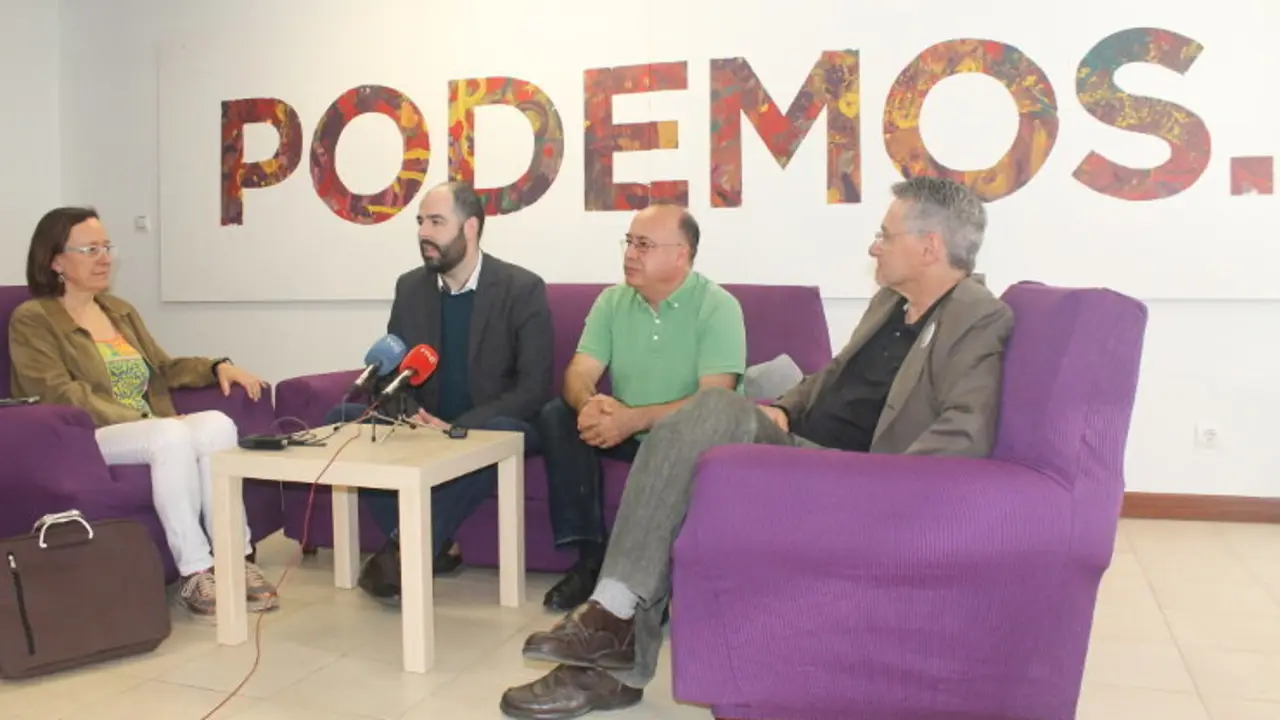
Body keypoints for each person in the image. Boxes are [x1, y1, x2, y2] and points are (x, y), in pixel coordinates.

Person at [498, 176, 1016, 719]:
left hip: (858, 477)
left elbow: (965, 430)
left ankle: (609, 627)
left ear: (929, 247)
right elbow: (833, 375)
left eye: (885, 235)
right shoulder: (891, 303)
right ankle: (611, 649)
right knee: (688, 449)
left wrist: (886, 490)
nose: (874, 246)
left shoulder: (976, 316)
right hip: (802, 447)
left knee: (712, 407)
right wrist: (784, 409)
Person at [8, 206, 278, 621]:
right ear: (55, 260)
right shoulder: (33, 319)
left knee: (217, 425)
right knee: (169, 437)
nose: (104, 258)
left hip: (145, 427)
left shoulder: (118, 310)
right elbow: (58, 392)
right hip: (85, 436)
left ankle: (234, 557)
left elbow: (163, 368)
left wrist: (215, 366)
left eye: (107, 247)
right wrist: (142, 421)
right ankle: (195, 569)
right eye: (90, 249)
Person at [322, 181, 553, 602]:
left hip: (490, 423)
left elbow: (534, 387)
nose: (423, 233)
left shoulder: (521, 289)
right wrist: (410, 413)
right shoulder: (410, 288)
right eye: (420, 222)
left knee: (501, 431)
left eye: (436, 222)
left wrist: (457, 427)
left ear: (470, 228)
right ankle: (434, 544)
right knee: (342, 419)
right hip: (425, 422)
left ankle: (404, 548)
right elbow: (392, 372)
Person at [536, 201, 747, 612]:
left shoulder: (718, 307)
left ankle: (659, 580)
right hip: (626, 428)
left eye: (644, 245)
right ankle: (590, 560)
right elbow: (579, 372)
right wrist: (591, 404)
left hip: (686, 436)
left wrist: (634, 419)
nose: (630, 254)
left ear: (680, 254)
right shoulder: (612, 302)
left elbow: (714, 400)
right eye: (629, 242)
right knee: (557, 415)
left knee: (698, 425)